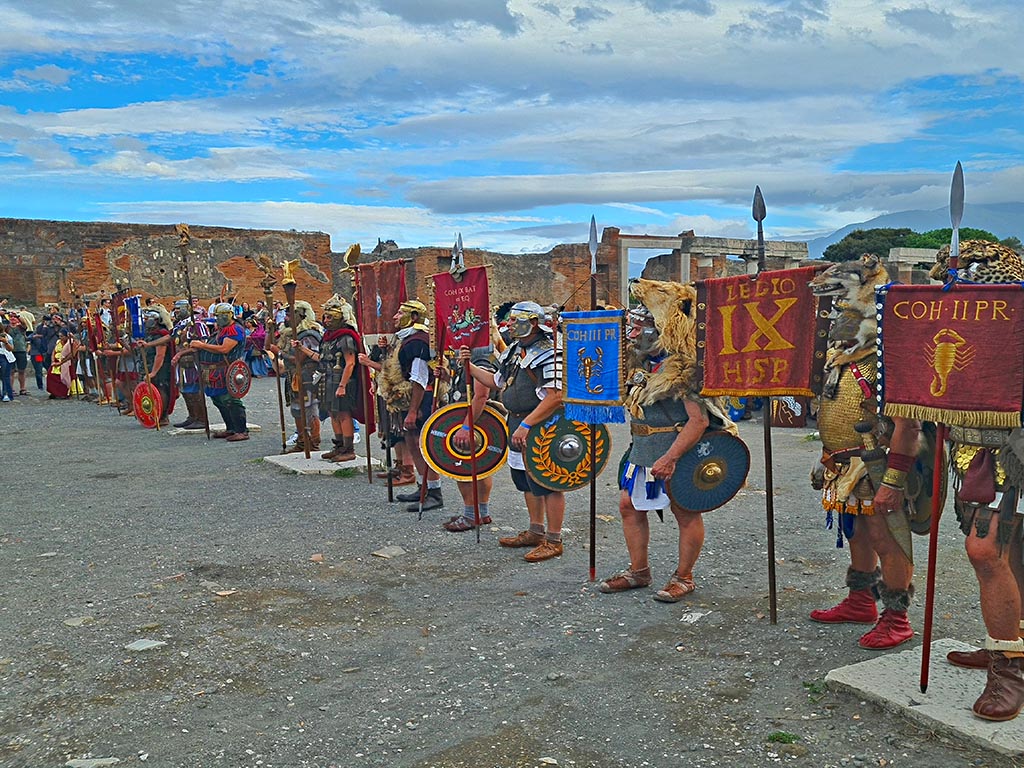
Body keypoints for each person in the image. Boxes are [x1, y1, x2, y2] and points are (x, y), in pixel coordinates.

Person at [917, 240, 1024, 721]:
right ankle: (1012, 643)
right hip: (970, 449)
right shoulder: (957, 323)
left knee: (986, 551)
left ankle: (1008, 670)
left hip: (1014, 452)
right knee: (1009, 552)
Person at [808, 256, 921, 650]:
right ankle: (860, 601)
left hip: (877, 463)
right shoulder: (845, 354)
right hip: (844, 462)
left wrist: (894, 481)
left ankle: (897, 617)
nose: (840, 320)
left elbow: (909, 425)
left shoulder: (891, 356)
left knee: (886, 538)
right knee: (856, 531)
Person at [599, 283, 737, 598]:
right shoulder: (638, 363)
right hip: (642, 450)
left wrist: (671, 457)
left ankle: (684, 577)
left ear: (659, 329)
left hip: (677, 452)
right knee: (629, 506)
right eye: (632, 325)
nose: (632, 333)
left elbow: (699, 420)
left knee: (685, 511)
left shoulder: (685, 367)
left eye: (639, 326)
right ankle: (639, 572)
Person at [461, 301, 564, 561]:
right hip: (517, 423)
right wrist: (469, 367)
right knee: (526, 480)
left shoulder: (550, 351)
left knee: (548, 482)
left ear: (533, 323)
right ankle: (536, 530)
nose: (510, 324)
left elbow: (555, 396)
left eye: (516, 320)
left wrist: (528, 424)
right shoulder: (515, 350)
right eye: (510, 319)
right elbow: (496, 381)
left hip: (542, 426)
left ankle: (554, 539)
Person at [380, 300, 444, 512]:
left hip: (421, 399)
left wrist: (414, 411)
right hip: (411, 398)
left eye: (400, 313)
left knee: (421, 444)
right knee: (411, 441)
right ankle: (423, 487)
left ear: (414, 316)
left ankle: (434, 492)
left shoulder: (418, 342)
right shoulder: (407, 339)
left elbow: (419, 379)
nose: (395, 317)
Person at [188, 302, 249, 442]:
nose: (219, 318)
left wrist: (202, 345)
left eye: (222, 315)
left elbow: (224, 349)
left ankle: (241, 430)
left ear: (230, 315)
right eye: (217, 316)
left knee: (231, 400)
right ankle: (231, 428)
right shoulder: (222, 330)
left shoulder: (234, 330)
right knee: (219, 400)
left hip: (225, 369)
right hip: (214, 370)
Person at [360, 336, 415, 486]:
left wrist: (369, 363)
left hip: (400, 393)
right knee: (393, 433)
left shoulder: (406, 342)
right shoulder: (390, 342)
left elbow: (394, 370)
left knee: (402, 433)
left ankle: (408, 471)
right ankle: (399, 465)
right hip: (387, 392)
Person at [317, 295, 363, 463]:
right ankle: (339, 446)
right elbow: (322, 358)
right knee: (333, 413)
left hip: (342, 381)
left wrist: (342, 385)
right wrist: (302, 349)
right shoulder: (328, 337)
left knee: (343, 414)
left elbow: (350, 363)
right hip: (327, 379)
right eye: (325, 317)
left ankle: (349, 449)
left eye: (330, 317)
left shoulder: (346, 337)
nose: (326, 321)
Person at [282, 301, 323, 453]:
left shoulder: (309, 335)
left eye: (289, 314)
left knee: (309, 410)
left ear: (300, 316)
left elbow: (299, 359)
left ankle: (313, 443)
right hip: (295, 376)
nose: (286, 318)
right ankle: (302, 442)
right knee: (297, 410)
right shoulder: (295, 334)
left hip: (307, 377)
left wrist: (279, 353)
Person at [169, 299, 209, 430]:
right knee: (186, 391)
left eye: (178, 309)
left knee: (195, 391)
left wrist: (180, 354)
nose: (176, 311)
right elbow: (171, 338)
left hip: (194, 363)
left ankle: (201, 419)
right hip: (183, 364)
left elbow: (202, 344)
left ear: (187, 309)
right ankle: (192, 417)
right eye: (175, 309)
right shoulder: (179, 325)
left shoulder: (196, 324)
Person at [139, 304, 176, 426]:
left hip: (161, 368)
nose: (145, 321)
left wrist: (153, 372)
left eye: (146, 318)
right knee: (154, 390)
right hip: (152, 365)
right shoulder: (150, 333)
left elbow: (160, 355)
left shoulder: (161, 334)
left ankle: (162, 416)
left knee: (161, 390)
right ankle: (155, 415)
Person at [7, 314, 28, 396]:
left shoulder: (21, 327)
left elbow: (24, 323)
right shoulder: (6, 328)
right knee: (11, 371)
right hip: (10, 351)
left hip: (21, 350)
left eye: (14, 317)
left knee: (22, 370)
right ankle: (11, 389)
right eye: (11, 317)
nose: (12, 318)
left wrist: (18, 316)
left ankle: (22, 388)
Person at [0, 321, 14, 401]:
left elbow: (11, 349)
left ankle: (6, 394)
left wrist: (5, 342)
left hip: (5, 357)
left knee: (5, 376)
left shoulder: (7, 337)